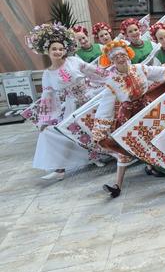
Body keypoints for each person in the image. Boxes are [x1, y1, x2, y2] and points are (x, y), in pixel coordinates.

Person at [92, 40, 165, 198]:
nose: (120, 58)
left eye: (122, 55)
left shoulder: (139, 68)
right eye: (116, 57)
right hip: (129, 116)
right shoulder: (112, 82)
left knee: (158, 137)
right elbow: (105, 106)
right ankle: (117, 186)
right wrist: (100, 128)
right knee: (126, 146)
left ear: (128, 55)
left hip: (146, 109)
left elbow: (161, 72)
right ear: (111, 61)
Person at [25, 23, 106, 180]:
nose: (58, 52)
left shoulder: (73, 61)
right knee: (60, 132)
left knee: (95, 128)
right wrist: (45, 120)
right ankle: (60, 169)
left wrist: (112, 77)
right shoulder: (47, 74)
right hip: (72, 105)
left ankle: (101, 155)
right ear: (47, 51)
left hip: (90, 98)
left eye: (61, 49)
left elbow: (94, 71)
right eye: (54, 49)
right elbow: (47, 98)